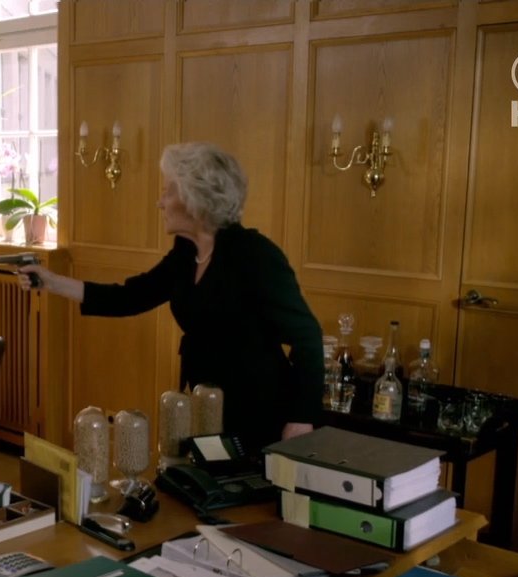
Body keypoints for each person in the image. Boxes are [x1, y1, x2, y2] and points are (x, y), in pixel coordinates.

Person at [18, 142, 323, 453]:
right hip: (207, 407)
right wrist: (51, 282)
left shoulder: (256, 255)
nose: (160, 202)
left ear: (195, 199)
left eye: (168, 192)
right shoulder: (186, 253)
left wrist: (302, 418)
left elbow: (308, 337)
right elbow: (130, 297)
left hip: (261, 412)